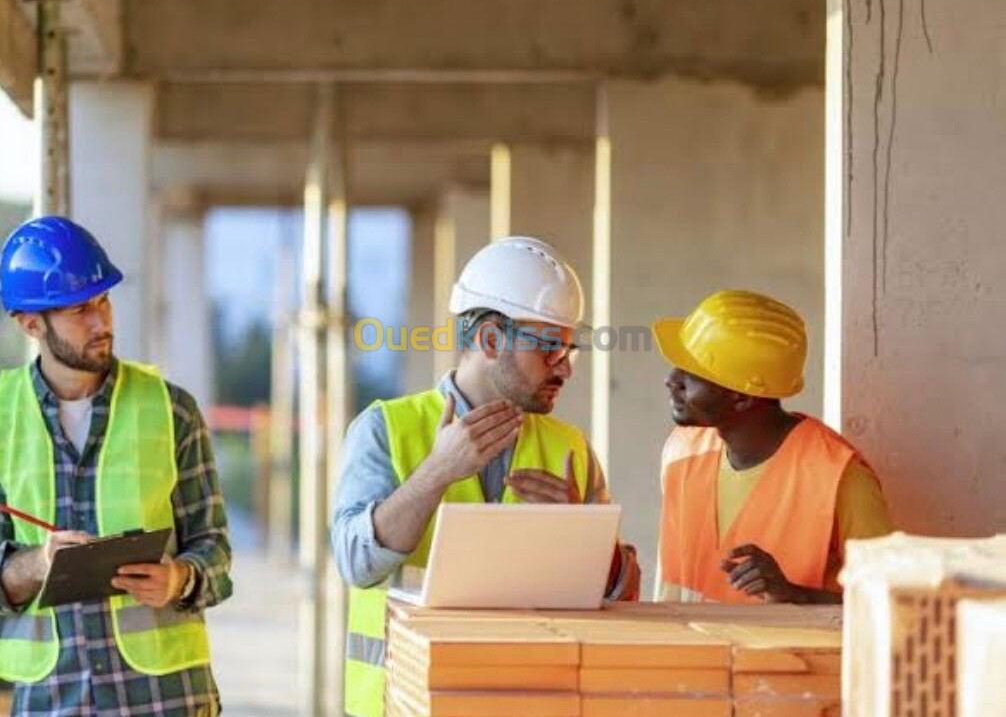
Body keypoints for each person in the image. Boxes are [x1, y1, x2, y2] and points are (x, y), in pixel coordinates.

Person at [332, 235, 641, 717]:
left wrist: (583, 536)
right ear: (491, 341)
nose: (565, 368)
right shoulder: (385, 430)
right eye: (549, 350)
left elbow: (623, 594)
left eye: (570, 351)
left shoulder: (571, 449)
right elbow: (356, 563)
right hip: (405, 704)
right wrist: (435, 473)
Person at [0, 216, 232, 716]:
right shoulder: (1, 418)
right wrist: (36, 564)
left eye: (104, 301)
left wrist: (180, 579)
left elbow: (215, 549)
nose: (102, 322)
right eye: (81, 309)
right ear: (31, 323)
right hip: (52, 700)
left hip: (166, 699)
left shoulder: (172, 410)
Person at [652, 289, 893, 605]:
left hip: (787, 656)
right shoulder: (682, 451)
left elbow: (890, 605)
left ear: (742, 398)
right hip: (686, 653)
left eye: (693, 373)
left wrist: (794, 595)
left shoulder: (841, 479)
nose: (672, 380)